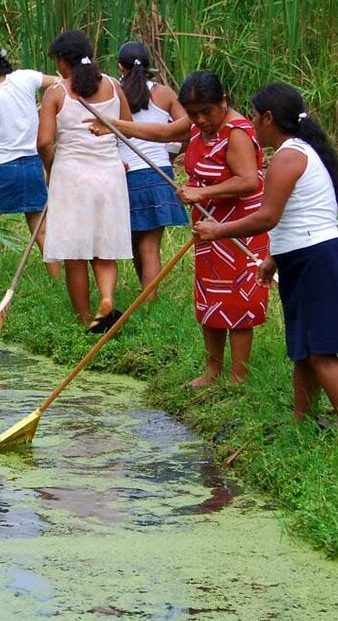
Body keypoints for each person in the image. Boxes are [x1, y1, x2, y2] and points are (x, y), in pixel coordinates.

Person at [193, 83, 338, 428]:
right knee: (303, 351)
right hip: (304, 257)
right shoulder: (294, 153)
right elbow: (298, 218)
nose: (251, 122)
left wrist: (217, 230)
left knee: (321, 352)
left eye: (255, 116)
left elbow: (268, 217)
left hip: (319, 260)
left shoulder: (289, 156)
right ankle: (302, 422)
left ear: (269, 117)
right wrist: (275, 258)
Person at [102, 71, 270, 386]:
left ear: (223, 101)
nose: (201, 119)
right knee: (211, 297)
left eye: (207, 112)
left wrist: (201, 193)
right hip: (207, 229)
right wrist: (113, 125)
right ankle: (212, 370)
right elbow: (161, 133)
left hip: (238, 228)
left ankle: (238, 376)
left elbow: (249, 180)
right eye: (193, 113)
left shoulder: (237, 132)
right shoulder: (194, 126)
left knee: (238, 302)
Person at [37, 31, 133, 332]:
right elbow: (128, 129)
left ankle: (83, 318)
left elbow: (44, 142)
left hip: (72, 177)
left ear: (63, 60)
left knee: (75, 253)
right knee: (104, 246)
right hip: (110, 175)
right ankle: (106, 298)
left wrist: (51, 168)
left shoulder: (56, 92)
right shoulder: (114, 86)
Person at [0, 44, 60, 292]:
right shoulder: (26, 78)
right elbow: (59, 83)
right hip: (31, 165)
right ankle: (57, 282)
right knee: (40, 227)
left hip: (3, 169)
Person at [113, 41, 190, 290]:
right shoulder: (165, 93)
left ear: (120, 67)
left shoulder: (114, 93)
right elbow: (187, 128)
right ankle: (148, 299)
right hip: (158, 173)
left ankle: (146, 297)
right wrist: (171, 154)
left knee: (137, 242)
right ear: (149, 66)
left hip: (127, 174)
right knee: (150, 246)